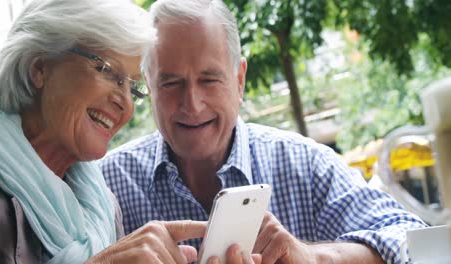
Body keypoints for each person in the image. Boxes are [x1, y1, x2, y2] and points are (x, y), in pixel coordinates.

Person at [101, 0, 428, 263]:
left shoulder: (304, 164)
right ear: (148, 85)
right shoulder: (107, 184)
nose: (193, 103)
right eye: (171, 83)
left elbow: (414, 242)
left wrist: (315, 257)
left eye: (209, 79)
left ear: (239, 80)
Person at [0, 0, 248, 263]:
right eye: (107, 70)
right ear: (40, 68)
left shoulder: (101, 203)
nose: (125, 102)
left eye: (132, 87)